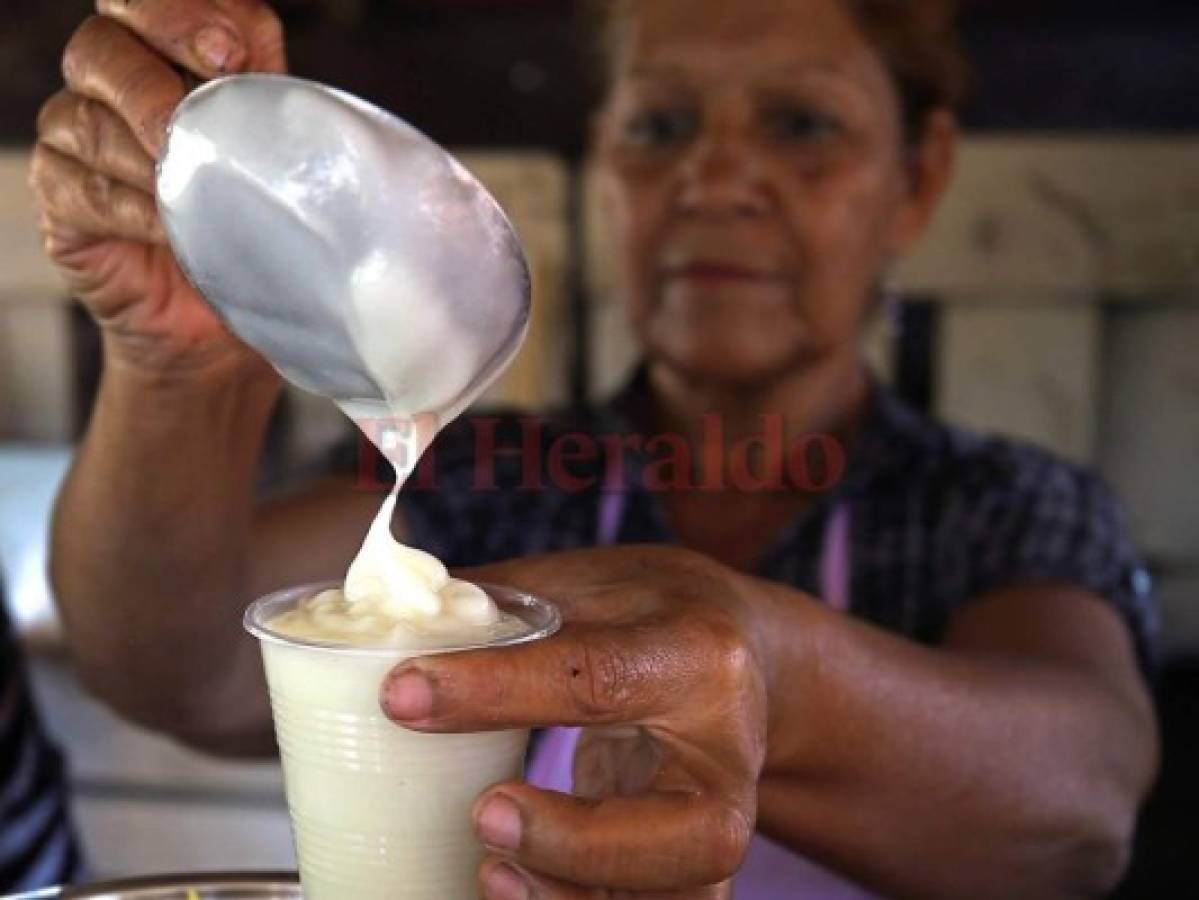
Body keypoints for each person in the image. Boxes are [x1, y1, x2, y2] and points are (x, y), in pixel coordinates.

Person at [30, 0, 1159, 897]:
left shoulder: (997, 507)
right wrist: (173, 367)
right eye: (659, 127)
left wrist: (766, 661)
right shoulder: (492, 482)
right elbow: (174, 661)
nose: (715, 180)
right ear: (605, 169)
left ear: (914, 180)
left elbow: (1075, 820)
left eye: (800, 125)